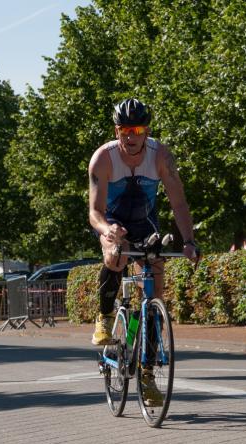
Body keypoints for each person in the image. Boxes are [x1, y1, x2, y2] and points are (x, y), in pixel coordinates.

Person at [88, 98, 200, 402]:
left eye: (137, 129)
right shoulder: (103, 158)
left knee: (154, 296)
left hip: (146, 225)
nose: (130, 135)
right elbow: (95, 212)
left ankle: (147, 373)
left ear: (146, 131)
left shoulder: (160, 155)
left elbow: (179, 203)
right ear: (117, 130)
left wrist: (189, 241)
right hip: (113, 224)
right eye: (125, 129)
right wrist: (107, 230)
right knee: (117, 255)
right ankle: (105, 315)